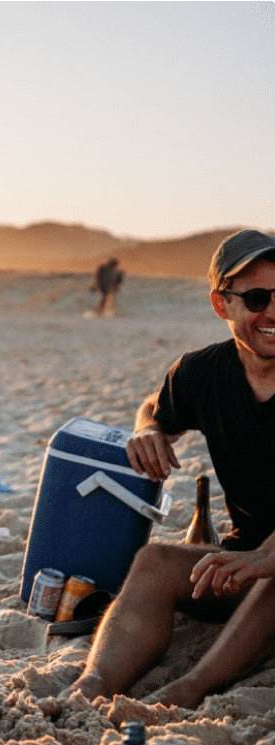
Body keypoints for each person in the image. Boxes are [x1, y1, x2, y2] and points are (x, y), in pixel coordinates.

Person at [65, 229, 275, 709]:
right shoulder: (202, 373)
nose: (274, 312)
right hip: (245, 563)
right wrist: (146, 429)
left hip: (269, 566)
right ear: (222, 306)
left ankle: (187, 690)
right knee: (155, 562)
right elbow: (153, 409)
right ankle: (92, 685)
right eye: (258, 297)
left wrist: (267, 558)